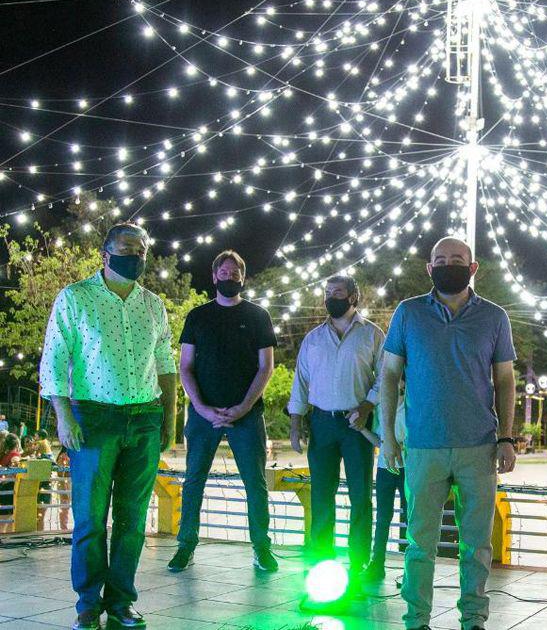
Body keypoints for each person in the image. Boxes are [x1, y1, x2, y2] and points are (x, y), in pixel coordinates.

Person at [40, 222, 177, 630]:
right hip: (94, 419)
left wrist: (169, 418)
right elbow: (53, 361)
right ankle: (87, 602)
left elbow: (166, 365)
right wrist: (64, 417)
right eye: (126, 247)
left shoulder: (153, 304)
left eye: (142, 249)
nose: (135, 255)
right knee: (90, 517)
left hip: (145, 417)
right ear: (105, 254)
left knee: (133, 518)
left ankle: (121, 601)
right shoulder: (76, 298)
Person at [379, 236, 518, 630]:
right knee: (419, 545)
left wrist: (506, 437)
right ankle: (416, 620)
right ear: (429, 268)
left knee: (476, 545)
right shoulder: (408, 314)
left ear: (473, 268)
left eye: (457, 259)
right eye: (440, 259)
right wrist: (389, 437)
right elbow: (389, 374)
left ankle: (473, 619)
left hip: (479, 446)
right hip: (423, 446)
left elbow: (505, 380)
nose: (448, 264)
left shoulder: (494, 317)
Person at [168, 250, 278, 574]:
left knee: (255, 483)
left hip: (247, 416)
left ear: (242, 278)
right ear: (214, 276)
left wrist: (243, 407)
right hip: (203, 415)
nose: (230, 278)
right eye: (224, 272)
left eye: (235, 273)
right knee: (193, 482)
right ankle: (185, 546)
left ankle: (262, 548)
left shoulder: (259, 316)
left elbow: (266, 367)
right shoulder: (197, 317)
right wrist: (202, 408)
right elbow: (185, 367)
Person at [288, 275, 383, 578]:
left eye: (338, 293)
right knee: (321, 495)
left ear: (354, 297)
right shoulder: (313, 338)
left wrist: (368, 405)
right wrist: (295, 421)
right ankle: (320, 561)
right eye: (327, 293)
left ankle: (358, 563)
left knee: (360, 497)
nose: (331, 298)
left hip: (357, 427)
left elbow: (386, 375)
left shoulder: (372, 334)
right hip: (322, 424)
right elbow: (300, 381)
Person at [350, 399, 407, 582]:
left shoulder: (411, 405)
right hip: (385, 468)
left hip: (408, 468)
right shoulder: (382, 407)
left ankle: (412, 567)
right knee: (383, 518)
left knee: (411, 517)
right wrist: (363, 429)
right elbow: (379, 440)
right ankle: (377, 564)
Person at [0, 433, 22, 534]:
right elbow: (16, 465)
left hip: (3, 488)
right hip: (9, 489)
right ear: (17, 443)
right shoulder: (15, 455)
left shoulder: (4, 455)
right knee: (8, 520)